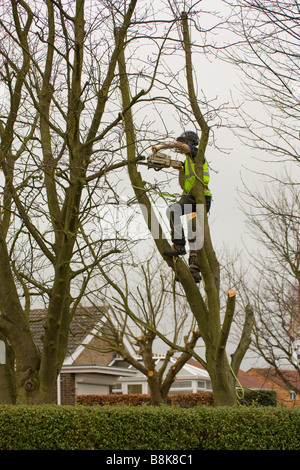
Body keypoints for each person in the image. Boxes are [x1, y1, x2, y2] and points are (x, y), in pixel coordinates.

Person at [152, 130, 212, 283]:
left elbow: (181, 147)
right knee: (173, 210)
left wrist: (161, 147)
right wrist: (180, 171)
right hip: (190, 196)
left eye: (184, 143)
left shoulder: (197, 154)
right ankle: (179, 245)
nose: (180, 147)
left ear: (190, 143)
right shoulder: (187, 162)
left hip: (201, 197)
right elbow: (182, 185)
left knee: (196, 232)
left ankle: (194, 267)